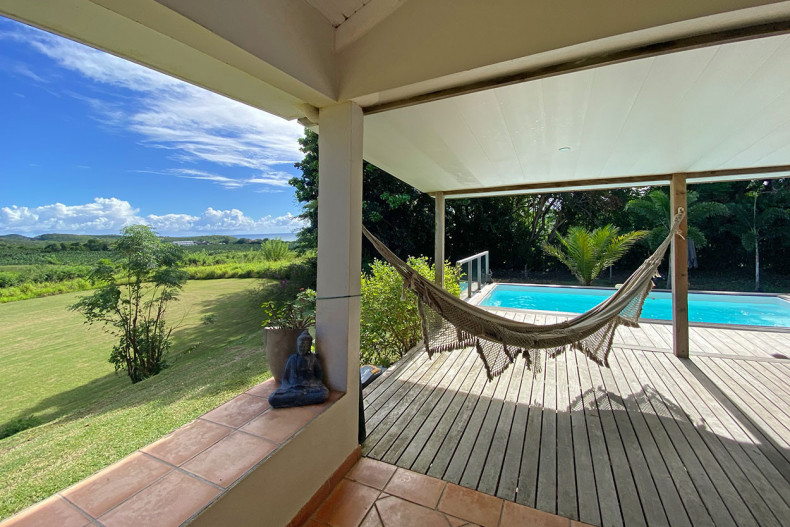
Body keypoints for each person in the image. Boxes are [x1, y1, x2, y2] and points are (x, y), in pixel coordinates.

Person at [268, 330, 329, 408]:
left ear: (309, 347)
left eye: (304, 346)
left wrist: (313, 384)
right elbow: (285, 379)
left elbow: (319, 375)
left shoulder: (313, 359)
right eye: (300, 346)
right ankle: (300, 399)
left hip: (309, 388)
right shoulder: (292, 359)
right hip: (293, 388)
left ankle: (295, 400)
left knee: (323, 394)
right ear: (297, 345)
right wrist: (289, 387)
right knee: (272, 398)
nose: (302, 348)